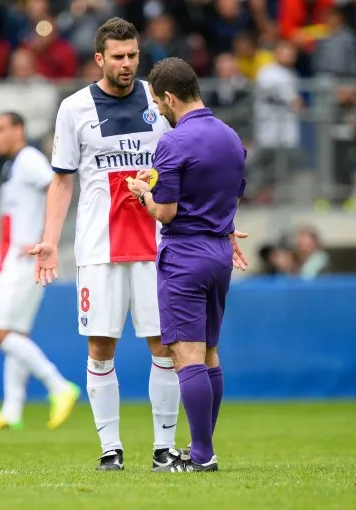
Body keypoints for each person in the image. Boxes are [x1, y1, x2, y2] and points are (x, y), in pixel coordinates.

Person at [29, 17, 182, 472]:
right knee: (100, 347)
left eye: (133, 55)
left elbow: (181, 167)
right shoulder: (74, 108)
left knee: (164, 345)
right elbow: (61, 182)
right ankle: (110, 450)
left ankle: (163, 449)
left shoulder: (159, 103)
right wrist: (50, 242)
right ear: (99, 59)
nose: (128, 64)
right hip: (99, 248)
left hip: (156, 245)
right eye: (118, 57)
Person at [126, 57, 248, 472]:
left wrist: (143, 191)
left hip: (185, 254)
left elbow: (166, 213)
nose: (159, 109)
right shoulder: (231, 137)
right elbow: (231, 192)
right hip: (219, 253)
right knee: (210, 354)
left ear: (170, 97)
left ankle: (201, 456)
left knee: (186, 355)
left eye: (159, 102)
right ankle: (202, 448)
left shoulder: (173, 142)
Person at [0, 112, 80, 432]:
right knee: (16, 336)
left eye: (1, 128)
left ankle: (58, 386)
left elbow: (57, 186)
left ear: (20, 130)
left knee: (0, 334)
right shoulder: (13, 165)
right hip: (12, 260)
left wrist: (44, 238)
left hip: (23, 261)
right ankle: (12, 409)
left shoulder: (30, 159)